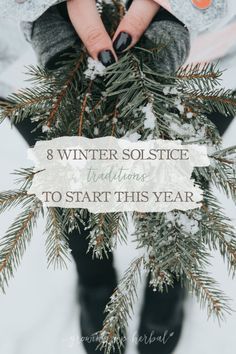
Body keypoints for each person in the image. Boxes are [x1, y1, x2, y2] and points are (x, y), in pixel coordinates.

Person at [0, 1, 233, 354]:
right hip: (32, 62)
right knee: (72, 178)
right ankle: (95, 280)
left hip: (205, 55)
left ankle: (166, 276)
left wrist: (183, 7)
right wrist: (45, 12)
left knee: (179, 176)